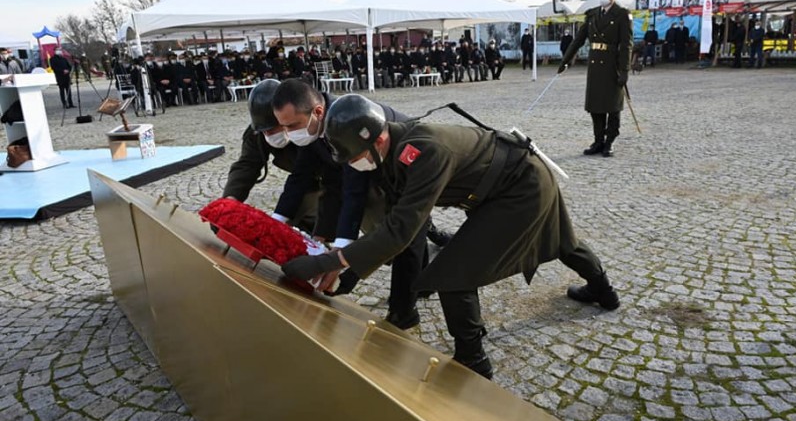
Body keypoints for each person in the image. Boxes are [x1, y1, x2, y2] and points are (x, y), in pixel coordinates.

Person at [281, 95, 620, 379]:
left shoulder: (422, 150)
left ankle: (473, 361)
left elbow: (401, 230)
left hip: (521, 187)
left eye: (354, 157)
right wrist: (347, 272)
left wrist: (327, 261)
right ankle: (604, 292)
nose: (353, 165)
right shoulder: (388, 153)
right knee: (561, 237)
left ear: (378, 139)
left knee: (452, 273)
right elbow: (397, 229)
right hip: (502, 185)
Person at [270, 80, 443, 325]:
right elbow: (328, 183)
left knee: (405, 233)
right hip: (371, 169)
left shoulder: (346, 121)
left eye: (292, 125)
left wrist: (340, 254)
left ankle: (403, 312)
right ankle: (422, 282)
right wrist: (319, 236)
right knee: (404, 233)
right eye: (283, 127)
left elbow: (353, 192)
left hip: (406, 164)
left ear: (317, 112)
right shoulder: (312, 128)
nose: (288, 134)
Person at [222, 79, 318, 229]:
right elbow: (247, 165)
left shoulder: (305, 127)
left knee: (314, 218)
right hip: (298, 181)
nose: (268, 134)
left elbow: (302, 176)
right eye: (264, 130)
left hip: (323, 179)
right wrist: (231, 198)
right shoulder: (257, 132)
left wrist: (279, 218)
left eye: (273, 128)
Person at [558, 0, 632, 158]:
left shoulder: (622, 14)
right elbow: (579, 40)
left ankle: (609, 141)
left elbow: (626, 44)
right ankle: (598, 140)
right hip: (595, 66)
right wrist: (565, 60)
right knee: (595, 105)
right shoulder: (592, 15)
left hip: (612, 65)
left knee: (613, 106)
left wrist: (624, 70)